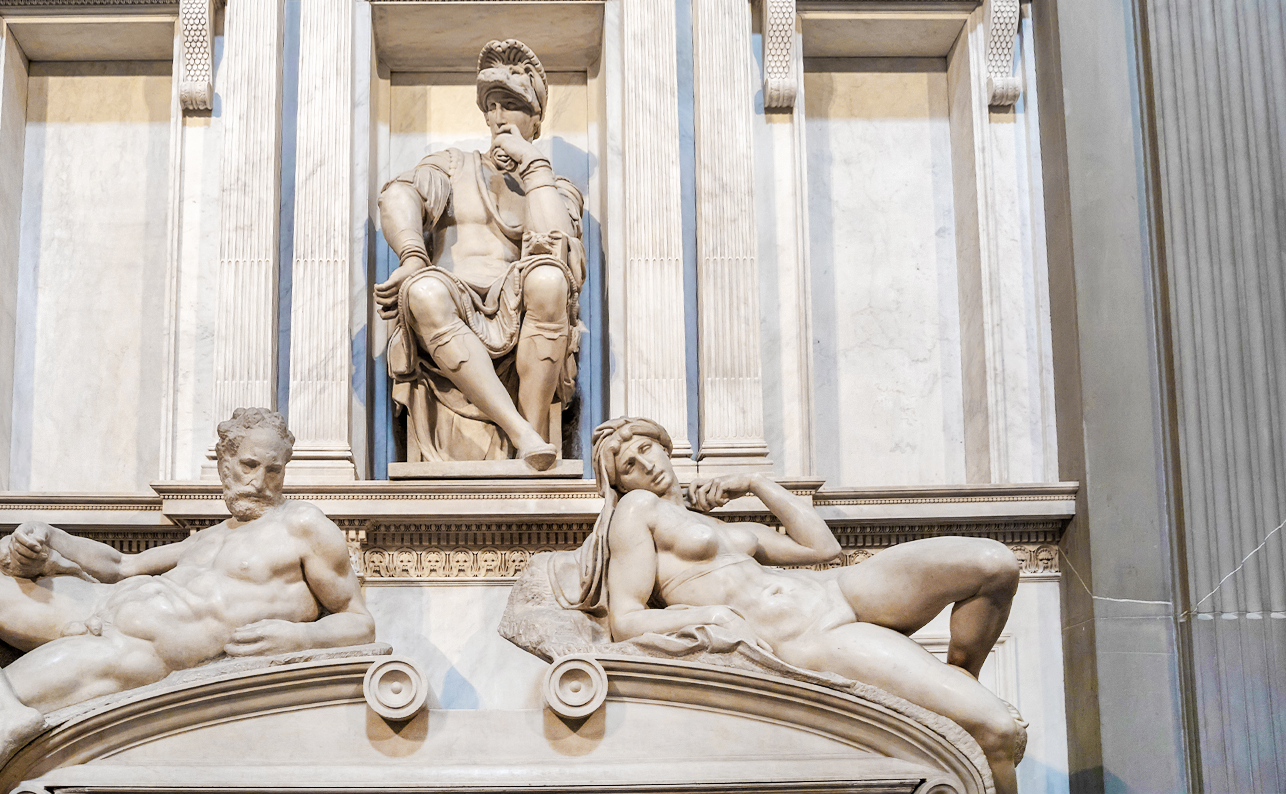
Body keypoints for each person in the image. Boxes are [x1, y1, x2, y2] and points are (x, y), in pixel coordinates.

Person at [0, 408, 376, 794]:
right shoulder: (206, 539)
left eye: (275, 470)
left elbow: (360, 624)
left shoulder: (304, 526)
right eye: (250, 465)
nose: (261, 482)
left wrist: (301, 635)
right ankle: (3, 709)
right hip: (95, 607)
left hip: (129, 648)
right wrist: (51, 536)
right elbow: (120, 568)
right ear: (224, 462)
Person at [562, 416, 1026, 794]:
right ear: (620, 485)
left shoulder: (723, 526)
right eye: (627, 464)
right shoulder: (636, 510)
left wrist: (755, 483)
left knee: (994, 563)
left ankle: (965, 672)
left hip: (840, 589)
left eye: (646, 448)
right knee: (996, 730)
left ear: (666, 447)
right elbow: (625, 619)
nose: (643, 465)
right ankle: (968, 704)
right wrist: (711, 615)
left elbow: (823, 549)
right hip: (813, 639)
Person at [376, 39, 584, 469]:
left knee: (548, 279)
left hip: (518, 302)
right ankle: (523, 434)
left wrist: (532, 165)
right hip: (453, 299)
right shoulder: (453, 165)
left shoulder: (552, 186)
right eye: (491, 105)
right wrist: (413, 256)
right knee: (425, 291)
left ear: (536, 116)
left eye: (511, 104)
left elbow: (559, 251)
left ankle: (531, 437)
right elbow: (398, 194)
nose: (498, 117)